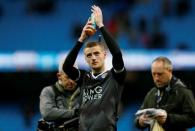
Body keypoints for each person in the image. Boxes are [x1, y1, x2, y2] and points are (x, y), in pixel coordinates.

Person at [63, 5, 126, 131]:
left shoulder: (114, 77)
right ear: (86, 59)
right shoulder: (84, 78)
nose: (93, 57)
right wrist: (81, 39)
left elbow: (117, 54)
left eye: (97, 53)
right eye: (89, 55)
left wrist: (101, 26)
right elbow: (67, 67)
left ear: (104, 55)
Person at [135, 56, 195, 131]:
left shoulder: (183, 92)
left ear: (170, 71)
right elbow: (137, 119)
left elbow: (192, 119)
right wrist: (140, 122)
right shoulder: (152, 93)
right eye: (154, 74)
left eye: (160, 74)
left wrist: (168, 119)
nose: (156, 78)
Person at [38, 59, 80, 131]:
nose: (71, 81)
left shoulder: (85, 91)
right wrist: (75, 112)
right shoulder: (48, 91)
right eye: (67, 77)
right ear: (59, 76)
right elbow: (47, 113)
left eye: (73, 77)